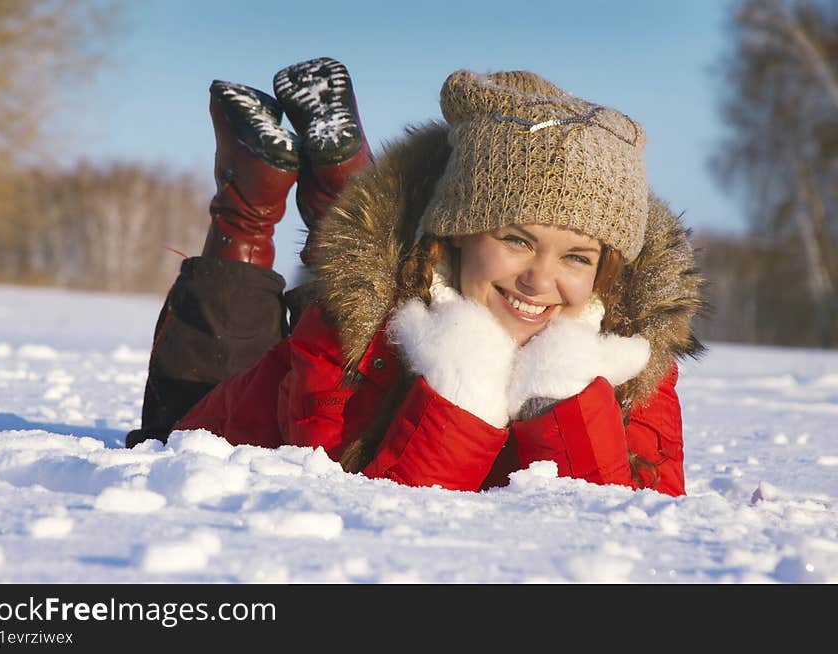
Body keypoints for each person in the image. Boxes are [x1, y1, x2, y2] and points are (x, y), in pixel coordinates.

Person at [125, 57, 704, 498]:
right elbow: (346, 498)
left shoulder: (631, 351)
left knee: (350, 285)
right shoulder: (361, 325)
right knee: (176, 422)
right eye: (515, 240)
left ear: (609, 268)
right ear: (455, 234)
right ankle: (248, 210)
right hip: (245, 419)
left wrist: (565, 392)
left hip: (370, 313)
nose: (539, 279)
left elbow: (633, 527)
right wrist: (461, 392)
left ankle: (340, 185)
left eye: (578, 257)